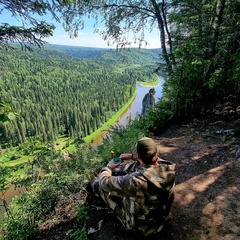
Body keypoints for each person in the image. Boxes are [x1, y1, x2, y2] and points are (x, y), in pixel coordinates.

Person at [90, 137, 176, 237]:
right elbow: (149, 158)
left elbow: (103, 182)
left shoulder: (135, 182)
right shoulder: (169, 168)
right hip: (159, 221)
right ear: (157, 152)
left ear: (139, 155)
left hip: (141, 229)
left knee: (99, 186)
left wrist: (108, 167)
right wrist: (132, 156)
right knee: (128, 171)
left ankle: (91, 190)